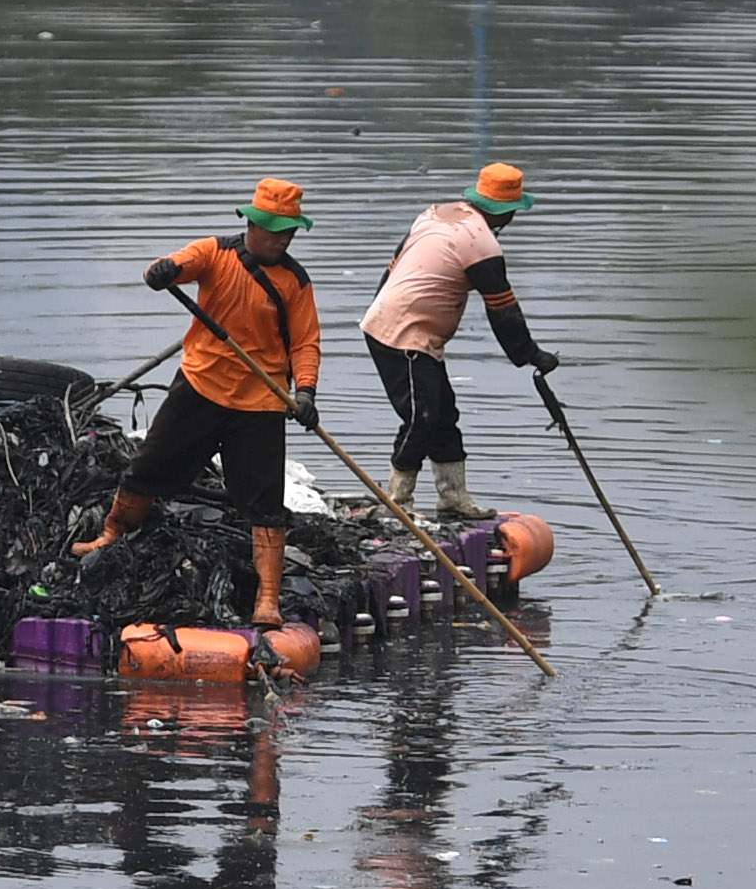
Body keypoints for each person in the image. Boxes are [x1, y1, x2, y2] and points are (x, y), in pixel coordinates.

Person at [72, 178, 324, 629]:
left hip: (262, 402)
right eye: (277, 230)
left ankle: (267, 599)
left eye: (290, 232)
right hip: (201, 386)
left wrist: (304, 391)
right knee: (148, 467)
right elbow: (172, 266)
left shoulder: (295, 281)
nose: (284, 238)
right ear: (253, 224)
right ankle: (109, 534)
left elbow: (305, 343)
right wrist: (162, 271)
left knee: (265, 502)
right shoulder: (216, 254)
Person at [359, 161, 558, 518]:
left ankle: (453, 499)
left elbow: (393, 266)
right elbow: (503, 311)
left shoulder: (436, 215)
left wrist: (378, 307)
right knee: (422, 415)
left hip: (406, 329)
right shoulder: (480, 243)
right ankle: (398, 503)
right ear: (507, 212)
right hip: (402, 335)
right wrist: (531, 354)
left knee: (443, 414)